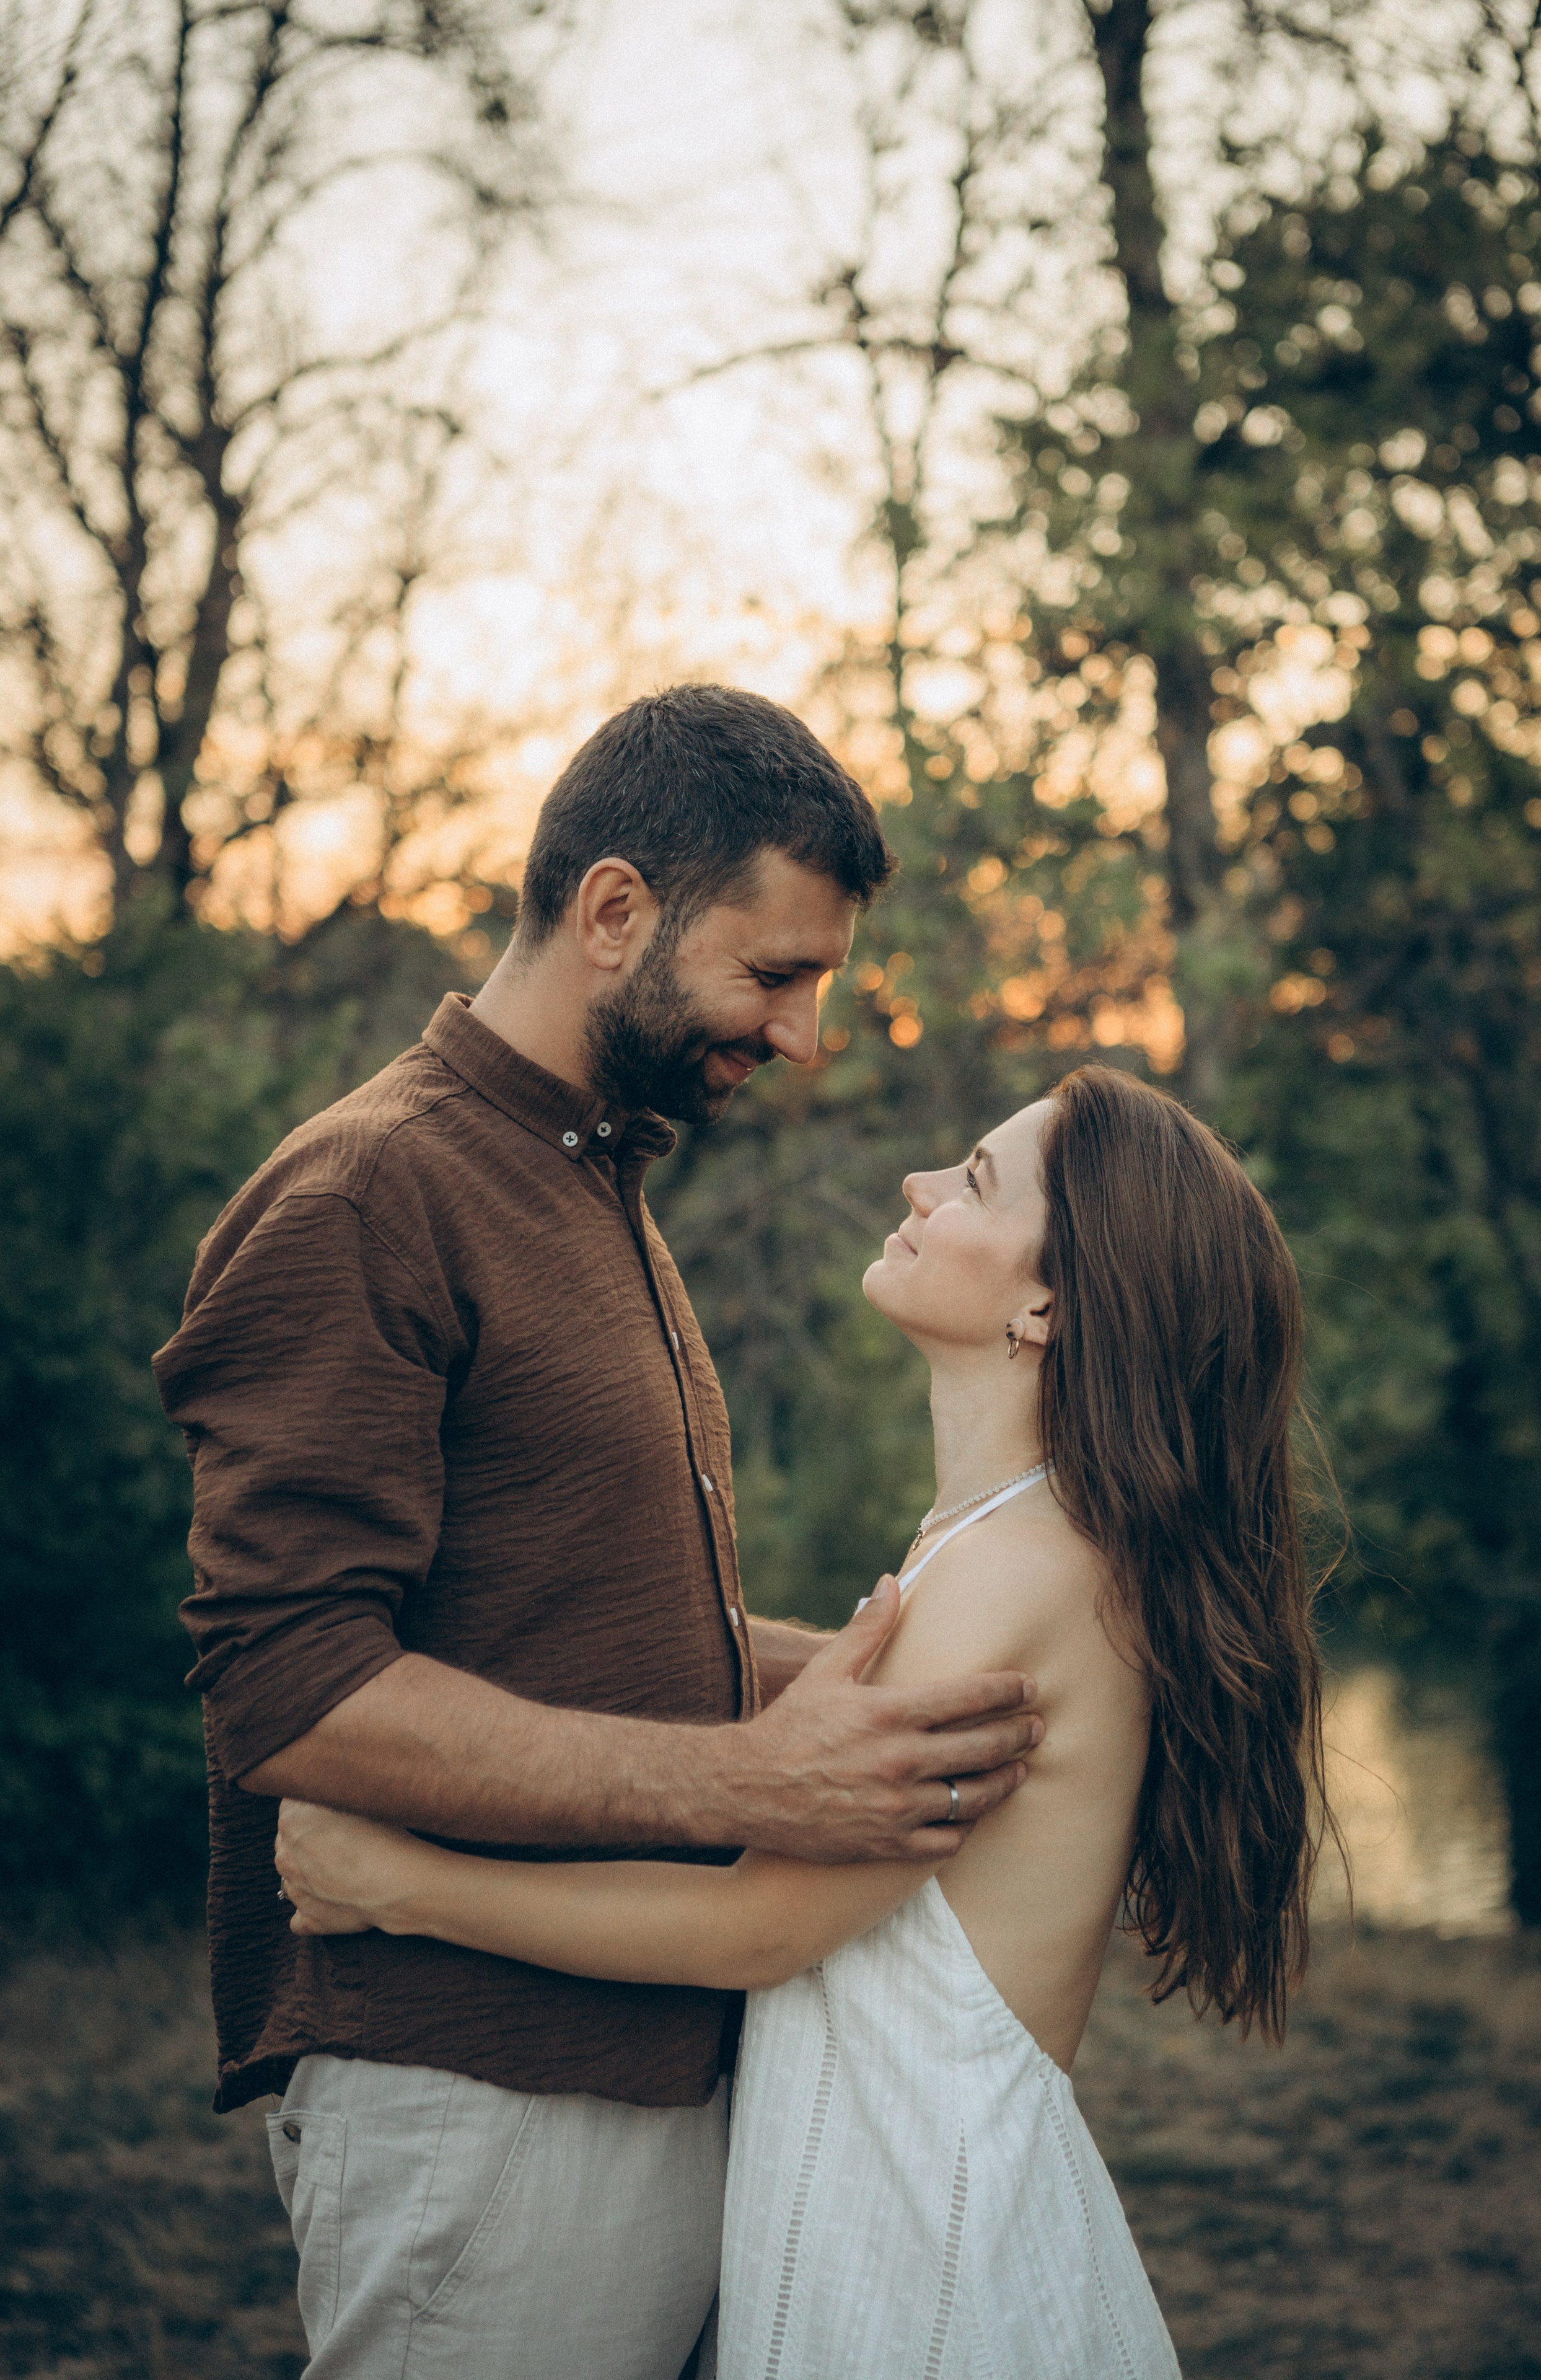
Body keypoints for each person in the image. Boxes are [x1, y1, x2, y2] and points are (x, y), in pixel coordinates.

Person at [152, 684, 1045, 2380]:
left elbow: (608, 1620)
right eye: (777, 974)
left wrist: (965, 1677)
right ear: (616, 910)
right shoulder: (369, 1196)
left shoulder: (586, 1176)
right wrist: (751, 1785)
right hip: (476, 2090)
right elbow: (294, 1693)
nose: (803, 1035)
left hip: (658, 2059)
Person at [278, 1064, 1337, 2380]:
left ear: (1048, 1305)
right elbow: (813, 1692)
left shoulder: (1022, 1568)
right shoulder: (1016, 1539)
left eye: (972, 1181)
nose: (918, 1183)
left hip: (916, 2241)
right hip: (908, 2190)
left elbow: (760, 1926)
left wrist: (403, 1886)